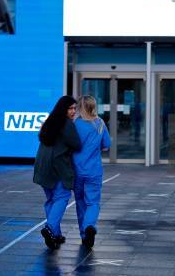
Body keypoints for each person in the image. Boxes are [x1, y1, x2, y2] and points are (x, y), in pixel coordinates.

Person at [33, 95, 81, 249]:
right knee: (62, 196)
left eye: (75, 108)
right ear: (63, 109)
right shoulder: (67, 124)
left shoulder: (49, 122)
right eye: (70, 108)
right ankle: (50, 228)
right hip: (57, 167)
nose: (73, 111)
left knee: (51, 200)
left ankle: (56, 234)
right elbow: (77, 144)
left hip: (42, 167)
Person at [72, 95, 111, 248]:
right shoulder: (100, 123)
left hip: (77, 170)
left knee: (80, 202)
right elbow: (107, 145)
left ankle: (84, 234)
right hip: (94, 170)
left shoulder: (76, 124)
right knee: (93, 202)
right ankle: (90, 226)